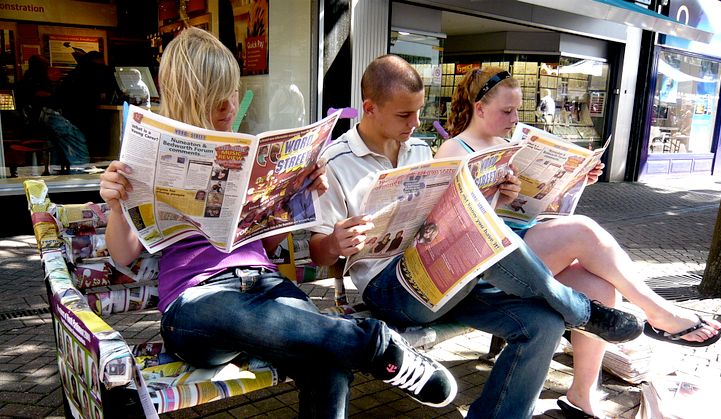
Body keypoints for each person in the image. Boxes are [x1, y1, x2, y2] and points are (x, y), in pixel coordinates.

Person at [99, 28, 457, 416]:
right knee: (244, 313)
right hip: (196, 302)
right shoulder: (148, 155)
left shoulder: (246, 152)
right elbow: (123, 254)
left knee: (327, 363)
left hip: (265, 285)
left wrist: (294, 196)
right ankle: (377, 346)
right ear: (189, 98)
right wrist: (117, 203)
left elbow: (268, 247)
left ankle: (368, 347)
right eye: (219, 101)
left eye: (233, 94)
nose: (231, 107)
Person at [309, 55, 643, 419]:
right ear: (369, 108)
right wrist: (335, 243)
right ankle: (580, 311)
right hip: (391, 289)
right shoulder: (336, 160)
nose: (416, 123)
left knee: (541, 324)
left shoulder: (419, 148)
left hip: (444, 277)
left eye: (419, 112)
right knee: (482, 237)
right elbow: (319, 254)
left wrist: (488, 194)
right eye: (404, 115)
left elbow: (443, 214)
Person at [436, 67, 721, 418]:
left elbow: (545, 208)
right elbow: (447, 225)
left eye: (517, 111)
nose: (514, 119)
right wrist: (495, 197)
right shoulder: (454, 148)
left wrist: (575, 182)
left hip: (526, 250)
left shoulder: (509, 146)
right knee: (583, 230)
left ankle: (581, 395)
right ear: (480, 108)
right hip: (485, 263)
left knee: (601, 291)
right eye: (506, 111)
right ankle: (659, 312)